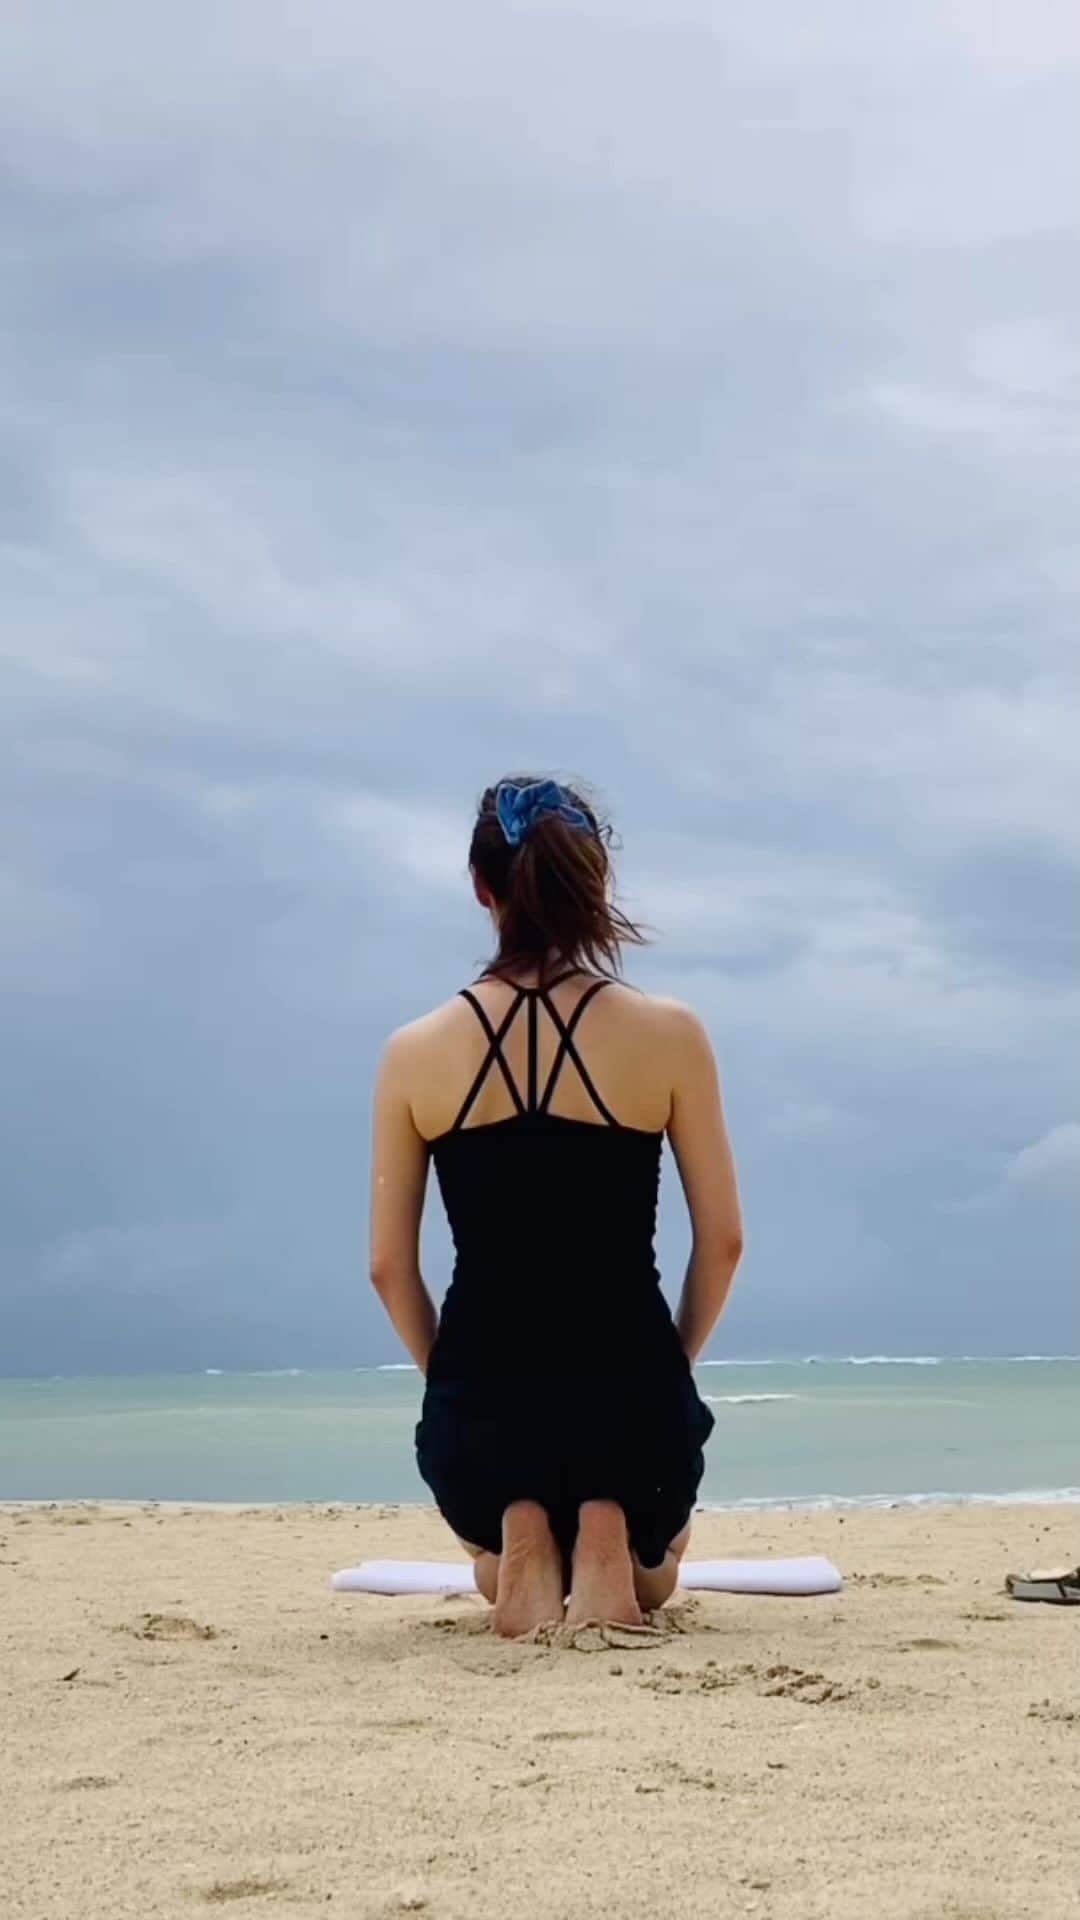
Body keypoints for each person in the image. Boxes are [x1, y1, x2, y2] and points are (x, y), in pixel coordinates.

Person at [369, 776, 743, 1636]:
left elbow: (388, 1267)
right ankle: (609, 1527)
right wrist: (670, 1368)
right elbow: (723, 1241)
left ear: (482, 888)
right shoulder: (671, 1034)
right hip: (630, 1390)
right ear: (594, 882)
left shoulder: (414, 1051)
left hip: (484, 1400)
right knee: (660, 1579)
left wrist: (455, 1382)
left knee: (486, 1566)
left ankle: (523, 1529)